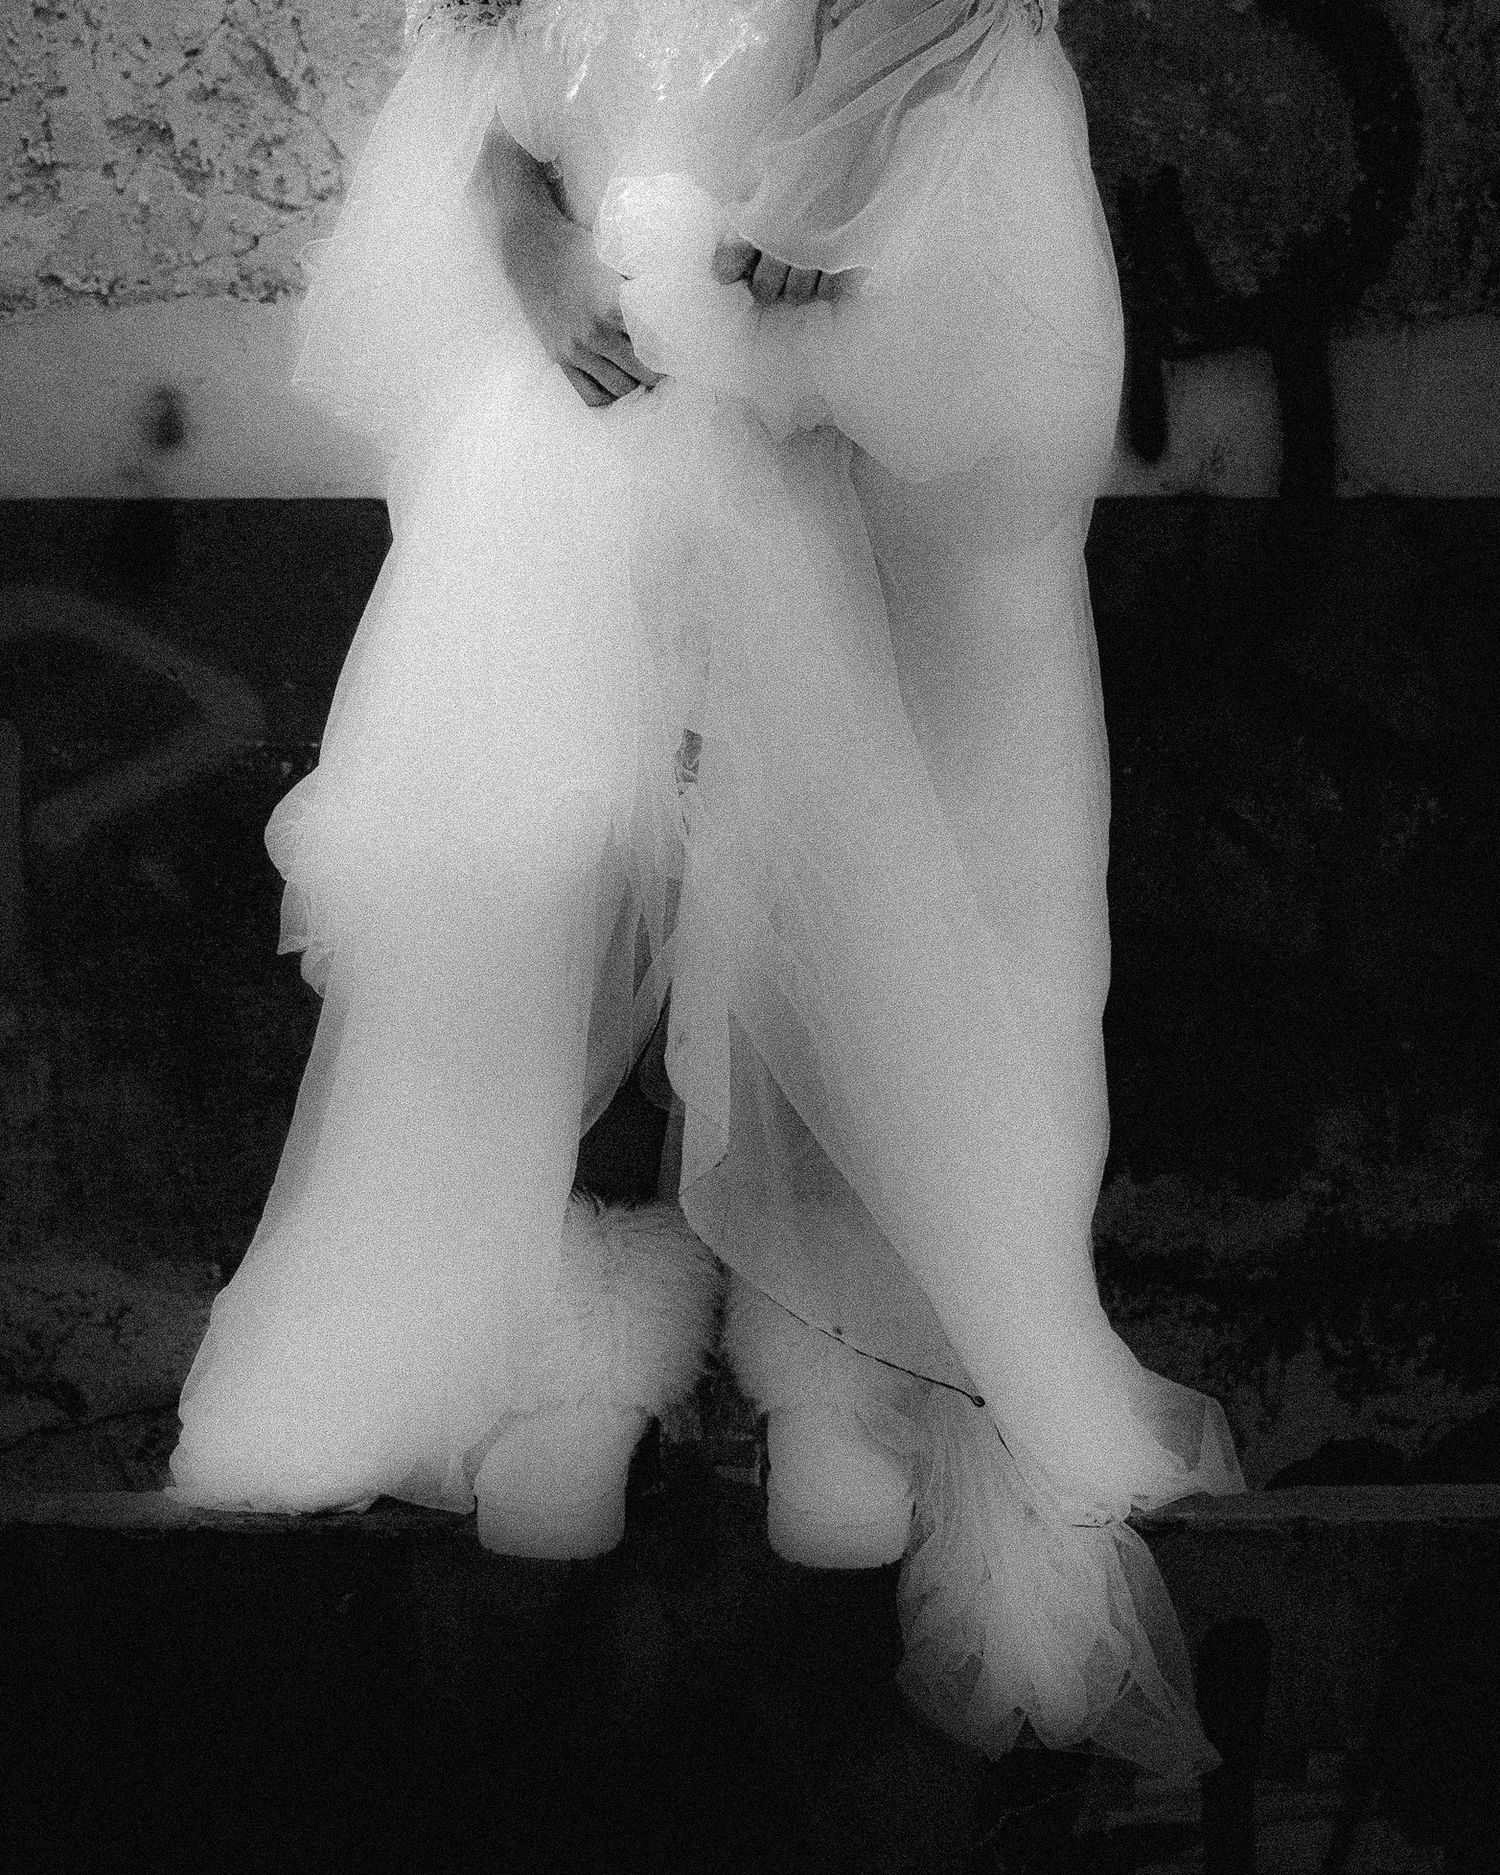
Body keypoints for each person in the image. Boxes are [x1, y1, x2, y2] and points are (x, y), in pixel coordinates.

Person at [170, 0, 1244, 1776]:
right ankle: (569, 1336)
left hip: (803, 432)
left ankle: (832, 1351)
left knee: (824, 866)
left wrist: (821, 233)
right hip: (562, 435)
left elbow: (944, 85)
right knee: (537, 859)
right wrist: (527, 245)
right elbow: (483, 98)